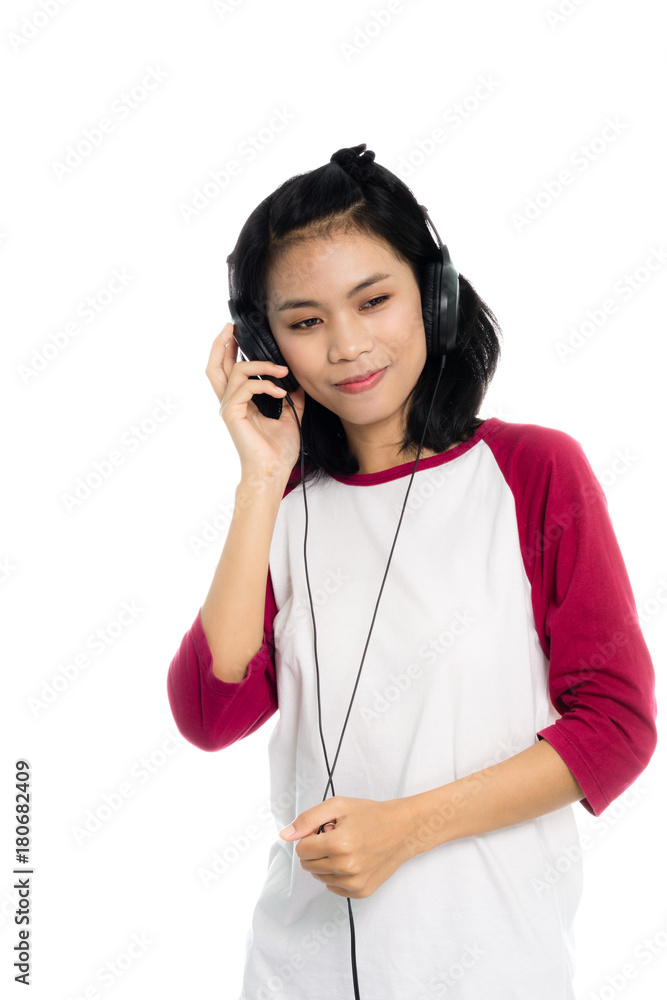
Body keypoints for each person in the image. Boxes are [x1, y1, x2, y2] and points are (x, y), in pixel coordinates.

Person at [166, 144, 657, 1000]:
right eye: (306, 320)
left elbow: (614, 727)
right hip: (294, 974)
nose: (348, 346)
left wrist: (403, 829)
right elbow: (210, 714)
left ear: (433, 295)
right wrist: (259, 478)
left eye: (373, 300)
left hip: (491, 971)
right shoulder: (283, 506)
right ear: (262, 343)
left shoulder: (533, 471)